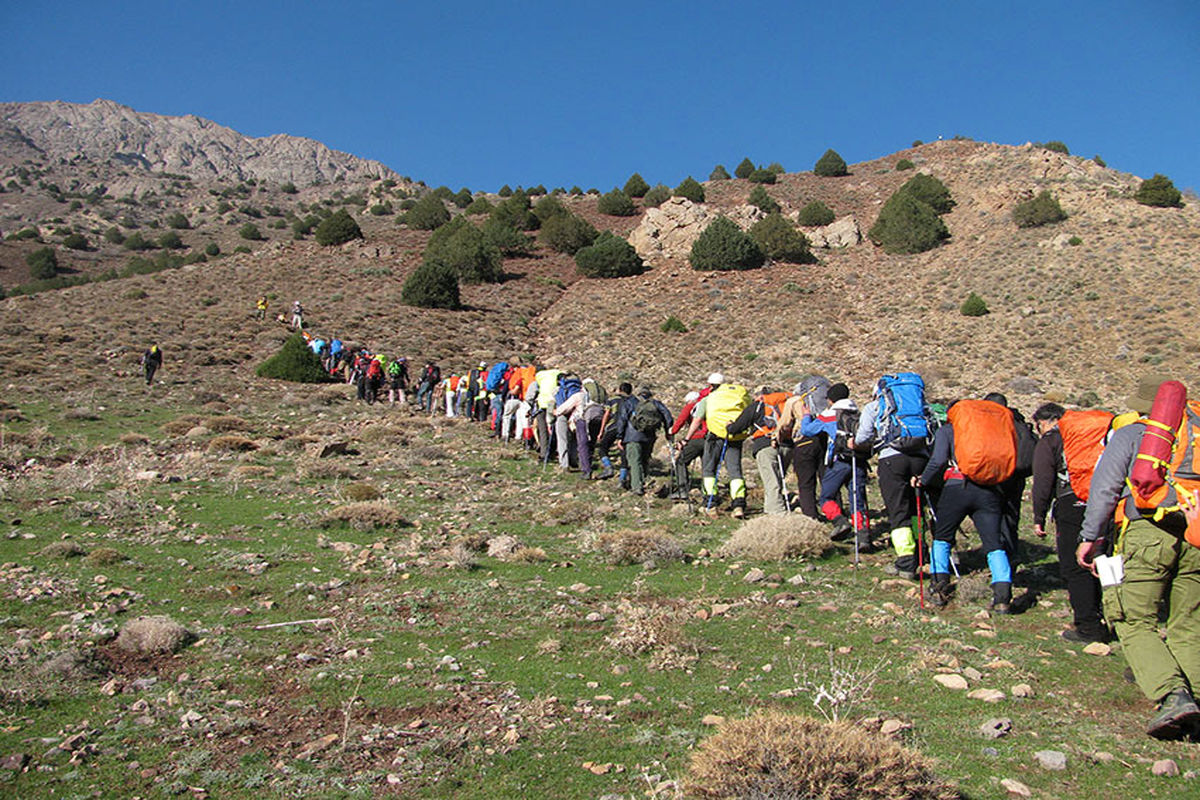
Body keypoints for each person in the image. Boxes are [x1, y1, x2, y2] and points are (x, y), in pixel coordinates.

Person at [1077, 376, 1200, 740]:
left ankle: (1171, 695)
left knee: (1130, 617)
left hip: (1148, 531)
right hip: (1195, 533)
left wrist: (1090, 537)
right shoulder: (1193, 440)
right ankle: (1194, 700)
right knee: (1188, 622)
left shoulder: (1136, 436)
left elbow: (1106, 487)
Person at [915, 398, 1017, 613]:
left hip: (957, 487)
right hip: (989, 489)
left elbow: (938, 461)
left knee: (942, 538)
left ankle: (939, 587)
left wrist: (923, 480)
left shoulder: (948, 431)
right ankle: (1003, 596)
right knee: (993, 543)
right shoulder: (992, 432)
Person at [1030, 402, 1107, 643]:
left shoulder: (1050, 440)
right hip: (1107, 501)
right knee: (1104, 559)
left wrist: (1039, 516)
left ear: (1044, 422)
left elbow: (1042, 481)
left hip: (1071, 504)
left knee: (1075, 565)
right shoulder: (1096, 435)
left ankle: (1088, 625)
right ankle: (1119, 619)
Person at [855, 374, 933, 580]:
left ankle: (906, 561)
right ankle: (922, 551)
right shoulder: (920, 405)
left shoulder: (873, 407)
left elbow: (862, 437)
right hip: (921, 458)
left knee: (898, 509)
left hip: (892, 459)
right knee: (918, 507)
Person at [801, 383, 870, 547]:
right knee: (857, 499)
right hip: (859, 460)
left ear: (830, 399)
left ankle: (840, 522)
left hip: (840, 460)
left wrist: (806, 415)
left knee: (826, 496)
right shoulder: (857, 413)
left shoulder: (830, 414)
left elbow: (808, 431)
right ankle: (863, 536)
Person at [686, 380, 751, 518]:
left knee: (709, 469)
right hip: (734, 437)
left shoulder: (708, 399)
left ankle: (710, 504)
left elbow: (697, 420)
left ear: (711, 386)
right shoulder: (739, 397)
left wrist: (687, 439)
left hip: (714, 437)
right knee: (735, 471)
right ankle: (738, 505)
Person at [727, 385, 794, 515]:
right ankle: (773, 507)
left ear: (758, 395)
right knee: (778, 478)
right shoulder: (785, 403)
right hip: (787, 445)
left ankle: (776, 512)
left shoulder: (757, 406)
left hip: (766, 445)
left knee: (771, 480)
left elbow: (737, 427)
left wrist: (729, 426)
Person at [778, 375, 832, 519]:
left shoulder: (794, 401)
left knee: (806, 482)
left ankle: (810, 515)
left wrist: (778, 436)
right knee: (826, 478)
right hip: (823, 438)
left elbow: (785, 423)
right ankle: (835, 513)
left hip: (803, 442)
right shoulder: (825, 401)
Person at [669, 374, 722, 501]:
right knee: (707, 468)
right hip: (712, 438)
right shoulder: (716, 403)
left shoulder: (694, 405)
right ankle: (709, 495)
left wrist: (672, 431)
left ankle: (683, 490)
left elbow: (680, 421)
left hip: (696, 438)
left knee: (680, 461)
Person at [613, 386, 674, 495]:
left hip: (632, 436)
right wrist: (667, 431)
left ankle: (637, 487)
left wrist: (619, 436)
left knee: (634, 461)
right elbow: (667, 416)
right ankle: (646, 481)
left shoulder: (630, 402)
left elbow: (622, 419)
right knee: (645, 459)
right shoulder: (655, 403)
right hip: (649, 437)